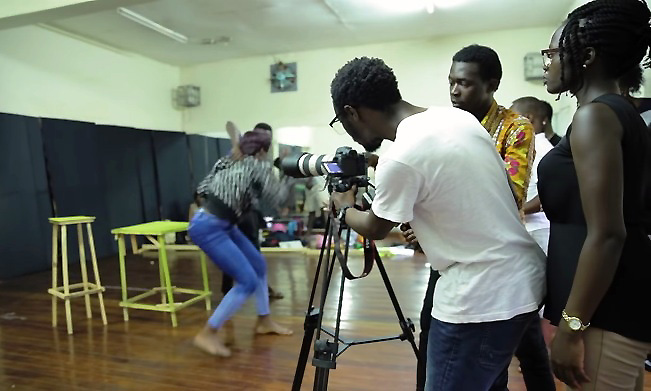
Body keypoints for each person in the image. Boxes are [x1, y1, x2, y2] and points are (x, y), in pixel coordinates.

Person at [328, 56, 546, 391]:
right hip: (522, 281)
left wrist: (343, 208)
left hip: (477, 297)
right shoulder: (457, 119)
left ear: (351, 112)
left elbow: (375, 227)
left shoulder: (400, 156)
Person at [412, 44, 550, 391]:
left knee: (524, 350)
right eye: (451, 82)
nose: (455, 91)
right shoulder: (444, 124)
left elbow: (507, 196)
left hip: (499, 260)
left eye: (465, 83)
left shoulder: (514, 128)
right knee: (431, 336)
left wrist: (438, 215)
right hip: (452, 257)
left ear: (493, 84)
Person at [538, 1, 651, 389]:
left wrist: (571, 327)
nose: (547, 63)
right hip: (610, 307)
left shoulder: (596, 117)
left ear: (586, 56)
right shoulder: (619, 113)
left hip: (604, 312)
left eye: (552, 53)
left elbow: (607, 233)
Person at [190, 130, 292, 357]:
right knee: (246, 281)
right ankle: (208, 333)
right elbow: (280, 198)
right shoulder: (259, 167)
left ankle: (264, 321)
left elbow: (203, 189)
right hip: (210, 228)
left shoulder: (226, 161)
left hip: (219, 222)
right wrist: (286, 171)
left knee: (259, 266)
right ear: (263, 151)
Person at [223, 121, 284, 300]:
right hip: (232, 211)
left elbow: (272, 193)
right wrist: (236, 143)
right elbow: (230, 125)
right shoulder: (241, 150)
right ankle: (230, 289)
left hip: (249, 211)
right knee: (235, 251)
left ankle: (262, 290)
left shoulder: (263, 161)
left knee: (252, 252)